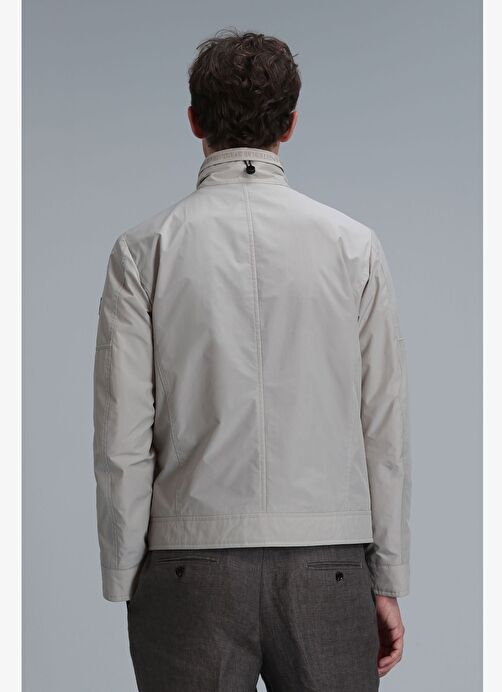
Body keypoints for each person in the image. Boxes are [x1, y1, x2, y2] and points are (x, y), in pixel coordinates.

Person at [93, 28, 412, 692]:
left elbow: (122, 434)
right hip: (329, 566)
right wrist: (386, 577)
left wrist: (127, 574)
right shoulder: (353, 246)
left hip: (188, 568)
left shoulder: (144, 250)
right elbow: (383, 426)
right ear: (289, 125)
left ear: (194, 121)